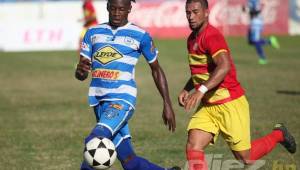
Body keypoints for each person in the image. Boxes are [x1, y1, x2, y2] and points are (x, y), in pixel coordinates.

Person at [179, 0, 296, 169]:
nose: (191, 17)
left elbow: (224, 66)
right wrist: (186, 88)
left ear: (206, 12)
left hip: (230, 103)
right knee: (193, 145)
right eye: (188, 13)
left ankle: (279, 135)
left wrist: (201, 90)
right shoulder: (191, 39)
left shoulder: (212, 36)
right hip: (209, 107)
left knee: (246, 159)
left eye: (195, 12)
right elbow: (202, 71)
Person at [75, 0, 180, 170]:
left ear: (129, 9)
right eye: (113, 9)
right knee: (129, 160)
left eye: (121, 9)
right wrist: (80, 70)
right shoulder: (92, 32)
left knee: (95, 141)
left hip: (122, 100)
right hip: (99, 102)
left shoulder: (140, 36)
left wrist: (167, 103)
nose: (117, 13)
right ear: (107, 7)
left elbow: (156, 69)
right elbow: (81, 73)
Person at [244, 0, 280, 65]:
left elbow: (257, 11)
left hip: (257, 21)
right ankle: (270, 41)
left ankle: (263, 58)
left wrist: (248, 10)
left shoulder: (254, 1)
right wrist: (245, 9)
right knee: (250, 41)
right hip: (253, 21)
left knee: (256, 41)